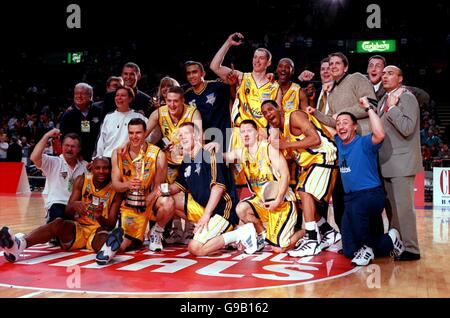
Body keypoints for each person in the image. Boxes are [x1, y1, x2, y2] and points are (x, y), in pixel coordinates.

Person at [0, 157, 121, 262]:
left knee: (103, 236)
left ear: (111, 170)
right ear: (92, 168)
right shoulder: (82, 180)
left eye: (105, 168)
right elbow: (67, 212)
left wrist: (99, 216)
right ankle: (19, 245)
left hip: (97, 231)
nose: (101, 171)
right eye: (98, 168)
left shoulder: (115, 189)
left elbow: (110, 224)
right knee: (58, 223)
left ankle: (107, 249)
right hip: (78, 228)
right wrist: (74, 205)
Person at [261, 100, 340, 257]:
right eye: (264, 113)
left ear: (280, 108)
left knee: (305, 192)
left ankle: (312, 240)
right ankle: (329, 232)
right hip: (311, 164)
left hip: (325, 157)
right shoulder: (280, 132)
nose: (268, 114)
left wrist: (285, 145)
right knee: (302, 200)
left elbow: (315, 139)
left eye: (270, 109)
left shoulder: (295, 116)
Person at [166, 122, 258, 255]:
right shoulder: (187, 161)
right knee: (170, 200)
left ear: (196, 136)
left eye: (186, 133)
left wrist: (205, 216)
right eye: (180, 135)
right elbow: (178, 186)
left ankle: (239, 233)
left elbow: (218, 189)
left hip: (223, 209)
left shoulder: (210, 155)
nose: (182, 137)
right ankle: (222, 233)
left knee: (195, 248)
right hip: (207, 209)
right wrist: (160, 191)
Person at [334, 99, 405, 265]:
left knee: (363, 238)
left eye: (346, 123)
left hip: (369, 195)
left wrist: (368, 109)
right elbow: (324, 127)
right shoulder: (338, 141)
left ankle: (367, 248)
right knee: (349, 250)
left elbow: (380, 134)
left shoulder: (364, 142)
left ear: (355, 127)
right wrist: (313, 111)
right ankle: (390, 240)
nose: (341, 126)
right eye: (338, 124)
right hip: (350, 199)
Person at [96, 118, 175, 265]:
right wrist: (128, 184)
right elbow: (116, 185)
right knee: (126, 245)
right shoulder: (118, 153)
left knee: (168, 201)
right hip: (129, 205)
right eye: (131, 133)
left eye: (138, 132)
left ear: (145, 133)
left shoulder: (158, 154)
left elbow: (159, 186)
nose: (134, 136)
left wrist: (146, 201)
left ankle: (156, 232)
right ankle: (110, 247)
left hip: (149, 200)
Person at [220, 120, 299, 253]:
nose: (245, 134)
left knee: (279, 249)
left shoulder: (268, 148)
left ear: (257, 133)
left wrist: (278, 200)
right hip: (262, 202)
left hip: (282, 202)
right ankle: (263, 236)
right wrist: (205, 148)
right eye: (242, 132)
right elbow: (222, 156)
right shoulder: (241, 153)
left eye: (249, 131)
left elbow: (285, 175)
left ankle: (303, 233)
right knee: (241, 209)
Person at [377, 65, 422, 261]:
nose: (385, 76)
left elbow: (407, 127)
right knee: (394, 211)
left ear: (400, 78)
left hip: (402, 162)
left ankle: (412, 249)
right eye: (384, 73)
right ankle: (397, 245)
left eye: (390, 73)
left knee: (403, 209)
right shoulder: (382, 100)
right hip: (387, 162)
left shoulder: (407, 97)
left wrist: (393, 108)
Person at [141, 86, 202, 184]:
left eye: (176, 101)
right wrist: (125, 146)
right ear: (165, 100)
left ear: (183, 100)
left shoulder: (193, 113)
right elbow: (142, 135)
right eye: (169, 101)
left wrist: (183, 149)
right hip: (168, 163)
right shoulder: (158, 113)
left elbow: (200, 142)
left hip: (188, 160)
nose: (172, 105)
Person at [30, 129, 88, 223]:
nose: (69, 149)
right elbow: (34, 157)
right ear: (62, 146)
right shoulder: (53, 162)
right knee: (58, 221)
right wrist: (47, 136)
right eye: (66, 145)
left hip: (76, 205)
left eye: (73, 146)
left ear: (79, 149)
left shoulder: (85, 166)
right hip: (57, 203)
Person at [184, 60, 232, 149]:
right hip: (204, 140)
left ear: (203, 74)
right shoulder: (187, 96)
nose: (191, 76)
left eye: (194, 72)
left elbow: (234, 94)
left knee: (228, 160)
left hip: (224, 135)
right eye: (188, 73)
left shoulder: (217, 86)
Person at [96, 86, 150, 158]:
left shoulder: (139, 116)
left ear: (130, 99)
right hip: (108, 157)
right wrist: (98, 157)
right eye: (117, 95)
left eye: (123, 95)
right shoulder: (108, 117)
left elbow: (149, 135)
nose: (119, 98)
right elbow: (101, 140)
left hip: (129, 159)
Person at [59, 83, 102, 162]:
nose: (79, 96)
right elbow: (64, 137)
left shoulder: (98, 110)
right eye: (76, 93)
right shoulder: (68, 115)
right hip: (77, 157)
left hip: (98, 155)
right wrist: (76, 154)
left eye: (82, 94)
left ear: (90, 96)